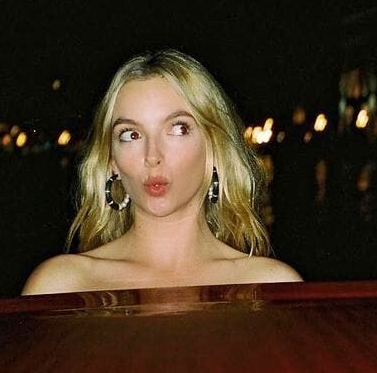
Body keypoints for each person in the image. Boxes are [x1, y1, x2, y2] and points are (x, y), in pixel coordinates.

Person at [22, 49, 303, 294]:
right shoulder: (60, 285)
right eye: (131, 135)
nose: (152, 156)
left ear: (215, 147)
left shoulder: (271, 287)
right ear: (111, 160)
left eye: (178, 129)